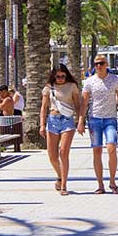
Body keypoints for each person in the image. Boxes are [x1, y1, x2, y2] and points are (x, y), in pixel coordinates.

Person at [79, 55, 118, 194]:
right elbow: (84, 102)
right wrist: (81, 120)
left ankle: (112, 181)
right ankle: (100, 185)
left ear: (106, 64)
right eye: (96, 64)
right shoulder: (89, 82)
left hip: (110, 119)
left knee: (112, 148)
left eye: (101, 63)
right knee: (97, 151)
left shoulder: (115, 80)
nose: (98, 66)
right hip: (94, 120)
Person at [41, 65, 81, 196]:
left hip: (67, 121)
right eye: (57, 76)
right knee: (52, 156)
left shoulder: (72, 86)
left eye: (62, 76)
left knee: (63, 152)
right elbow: (43, 107)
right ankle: (59, 176)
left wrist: (80, 120)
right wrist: (42, 124)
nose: (60, 79)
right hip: (52, 120)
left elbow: (77, 105)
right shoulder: (48, 88)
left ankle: (64, 185)